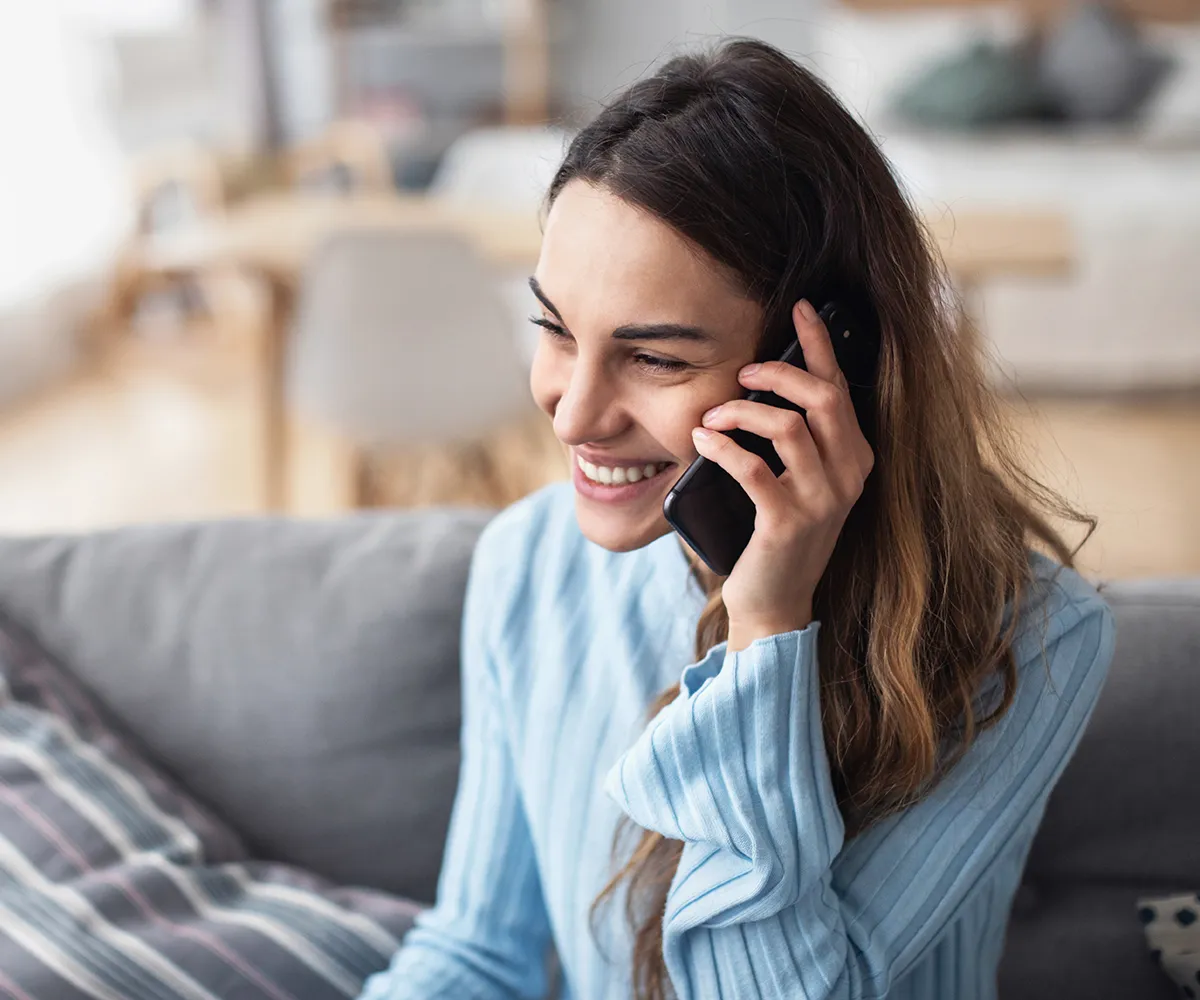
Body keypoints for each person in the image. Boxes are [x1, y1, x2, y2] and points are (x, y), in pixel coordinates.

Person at [358, 35, 1116, 1000]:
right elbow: (476, 952)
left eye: (655, 358)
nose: (573, 411)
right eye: (554, 328)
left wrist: (767, 633)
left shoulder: (1038, 640)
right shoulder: (527, 564)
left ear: (823, 369)